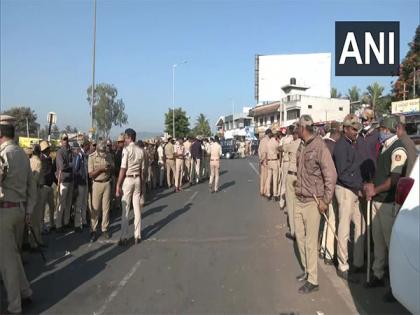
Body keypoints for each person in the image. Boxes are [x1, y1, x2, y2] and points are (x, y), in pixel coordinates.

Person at [364, 116, 407, 301]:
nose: (379, 132)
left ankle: (396, 285)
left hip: (388, 203)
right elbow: (381, 173)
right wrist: (371, 186)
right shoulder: (384, 147)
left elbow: (394, 179)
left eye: (381, 128)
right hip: (377, 200)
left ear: (388, 130)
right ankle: (378, 274)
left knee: (391, 247)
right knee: (378, 242)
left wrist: (376, 189)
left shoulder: (398, 149)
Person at [294, 115, 337, 294]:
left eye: (298, 127)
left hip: (313, 201)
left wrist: (325, 201)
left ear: (303, 128)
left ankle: (313, 279)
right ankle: (307, 270)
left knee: (311, 243)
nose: (296, 130)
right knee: (299, 237)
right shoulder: (302, 145)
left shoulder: (320, 146)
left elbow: (331, 175)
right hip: (300, 198)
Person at [0, 115, 36, 314]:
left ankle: (14, 306)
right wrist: (29, 210)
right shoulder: (22, 154)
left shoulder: (3, 155)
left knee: (6, 262)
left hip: (4, 211)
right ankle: (25, 292)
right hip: (20, 210)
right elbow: (32, 186)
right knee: (13, 255)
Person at [333, 114, 365, 281]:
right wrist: (358, 188)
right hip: (345, 189)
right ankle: (342, 264)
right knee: (344, 228)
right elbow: (343, 173)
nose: (356, 132)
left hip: (355, 189)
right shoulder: (340, 147)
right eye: (353, 129)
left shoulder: (353, 144)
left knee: (360, 225)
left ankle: (358, 262)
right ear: (345, 128)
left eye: (357, 129)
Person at [116, 129, 144, 246]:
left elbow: (123, 168)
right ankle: (137, 235)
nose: (125, 140)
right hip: (137, 178)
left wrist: (118, 184)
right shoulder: (140, 151)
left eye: (126, 137)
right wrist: (142, 185)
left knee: (126, 209)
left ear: (129, 137)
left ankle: (124, 236)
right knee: (137, 208)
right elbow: (143, 170)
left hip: (128, 179)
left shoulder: (126, 150)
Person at [319, 122, 341, 265]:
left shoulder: (320, 144)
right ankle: (328, 252)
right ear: (336, 133)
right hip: (330, 187)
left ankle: (322, 248)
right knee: (332, 219)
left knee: (324, 219)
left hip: (319, 187)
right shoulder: (334, 147)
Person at [88, 141, 114, 242]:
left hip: (107, 182)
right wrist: (101, 169)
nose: (104, 154)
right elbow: (90, 174)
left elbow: (113, 167)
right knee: (95, 208)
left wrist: (109, 167)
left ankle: (105, 229)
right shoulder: (92, 157)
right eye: (102, 152)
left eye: (105, 151)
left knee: (106, 208)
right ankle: (93, 230)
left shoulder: (108, 155)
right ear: (97, 150)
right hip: (97, 183)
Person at [282, 125, 300, 241]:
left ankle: (293, 231)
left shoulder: (293, 144)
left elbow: (281, 148)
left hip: (291, 174)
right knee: (299, 205)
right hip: (301, 177)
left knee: (291, 203)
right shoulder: (304, 144)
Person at [55, 133, 74, 232]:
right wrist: (70, 164)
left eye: (67, 139)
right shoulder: (60, 152)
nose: (66, 140)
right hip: (63, 180)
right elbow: (62, 166)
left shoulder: (69, 151)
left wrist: (69, 164)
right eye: (64, 139)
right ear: (61, 140)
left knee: (68, 203)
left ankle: (66, 222)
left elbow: (70, 164)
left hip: (70, 179)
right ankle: (58, 225)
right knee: (61, 204)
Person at [29, 144, 44, 248]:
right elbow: (35, 179)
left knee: (31, 217)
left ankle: (32, 241)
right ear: (40, 152)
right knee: (37, 218)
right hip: (37, 190)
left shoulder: (29, 161)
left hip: (29, 192)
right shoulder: (38, 162)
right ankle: (36, 241)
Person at [39, 140, 56, 233]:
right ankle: (41, 227)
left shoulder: (49, 159)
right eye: (48, 148)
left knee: (52, 207)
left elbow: (52, 172)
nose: (49, 150)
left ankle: (52, 224)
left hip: (50, 186)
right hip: (44, 186)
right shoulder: (40, 159)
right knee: (42, 208)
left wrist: (56, 181)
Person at [73, 139, 90, 232]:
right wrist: (76, 186)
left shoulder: (84, 156)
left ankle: (84, 221)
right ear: (85, 146)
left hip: (85, 182)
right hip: (80, 183)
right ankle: (77, 224)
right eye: (88, 145)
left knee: (84, 203)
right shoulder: (79, 156)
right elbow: (75, 170)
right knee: (78, 205)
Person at [265, 129, 280, 201]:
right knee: (275, 178)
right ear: (275, 135)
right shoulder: (276, 142)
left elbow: (266, 152)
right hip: (274, 161)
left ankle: (268, 194)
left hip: (269, 161)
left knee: (269, 178)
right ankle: (275, 194)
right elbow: (278, 152)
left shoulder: (268, 143)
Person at [258, 129, 271, 196]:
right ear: (269, 133)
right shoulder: (269, 141)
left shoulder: (262, 140)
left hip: (262, 160)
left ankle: (261, 190)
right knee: (267, 177)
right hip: (266, 160)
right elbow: (268, 151)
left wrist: (261, 159)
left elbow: (259, 150)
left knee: (262, 176)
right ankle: (265, 191)